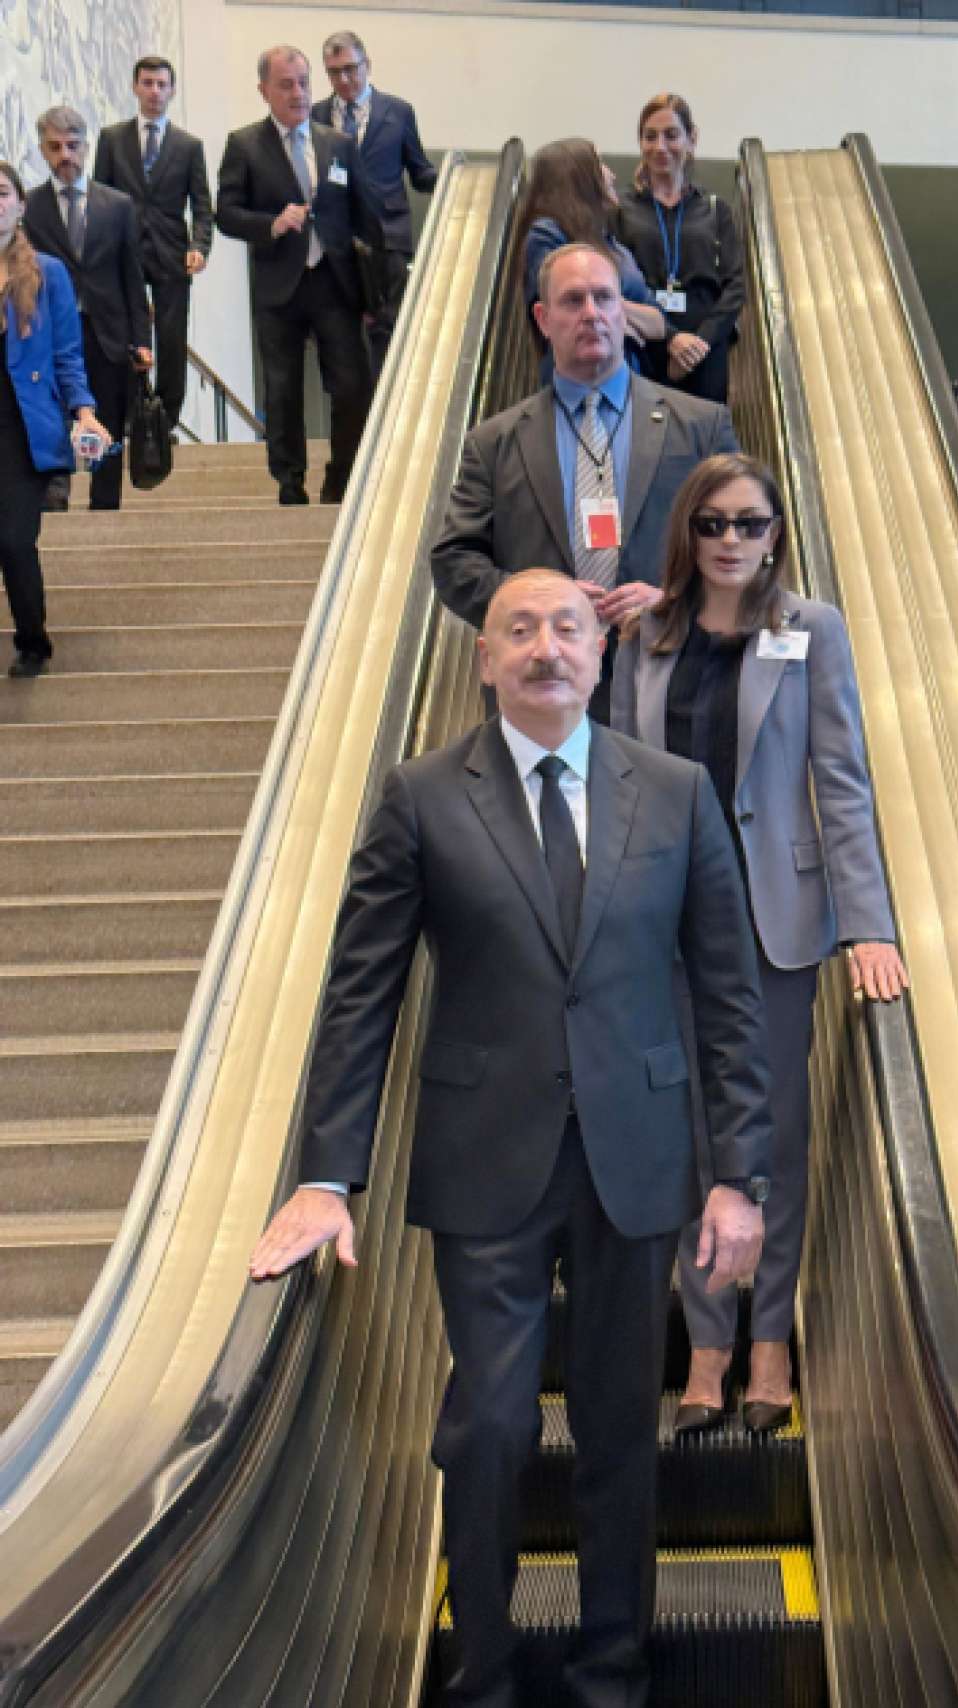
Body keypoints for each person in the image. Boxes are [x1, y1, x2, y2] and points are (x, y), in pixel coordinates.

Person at [249, 567, 773, 1708]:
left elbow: (730, 998)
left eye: (567, 628)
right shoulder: (421, 796)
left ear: (601, 650)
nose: (546, 648)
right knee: (488, 1426)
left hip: (635, 1161)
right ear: (483, 659)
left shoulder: (674, 792)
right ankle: (481, 1674)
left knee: (618, 1433)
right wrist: (326, 1174)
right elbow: (361, 994)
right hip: (484, 1158)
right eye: (519, 630)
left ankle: (610, 1675)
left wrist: (739, 1175)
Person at [612, 452, 907, 1433]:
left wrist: (866, 923)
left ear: (776, 533)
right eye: (712, 524)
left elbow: (842, 779)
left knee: (772, 1134)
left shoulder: (809, 630)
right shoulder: (648, 637)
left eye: (749, 523)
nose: (731, 540)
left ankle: (770, 1334)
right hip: (666, 923)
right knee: (686, 1132)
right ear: (686, 533)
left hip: (773, 917)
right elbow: (617, 786)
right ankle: (707, 1342)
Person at [431, 241, 738, 719]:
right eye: (573, 301)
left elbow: (743, 544)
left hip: (672, 682)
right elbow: (454, 560)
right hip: (543, 690)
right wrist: (539, 605)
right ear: (543, 318)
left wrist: (674, 602)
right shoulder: (493, 443)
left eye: (604, 298)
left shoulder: (701, 426)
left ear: (624, 312)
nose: (592, 314)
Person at [216, 44, 382, 506]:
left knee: (351, 386)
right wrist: (270, 224)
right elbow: (225, 213)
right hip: (279, 286)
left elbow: (365, 216)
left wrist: (376, 294)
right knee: (283, 389)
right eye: (286, 85)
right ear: (264, 91)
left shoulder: (338, 144)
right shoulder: (244, 145)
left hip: (334, 283)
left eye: (304, 83)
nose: (298, 93)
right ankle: (290, 481)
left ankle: (341, 476)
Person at [0, 163, 111, 678]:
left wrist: (84, 412)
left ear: (21, 205)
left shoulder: (49, 274)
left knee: (14, 540)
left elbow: (68, 354)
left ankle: (32, 641)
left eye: (2, 193)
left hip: (23, 431)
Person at [21, 105, 151, 513]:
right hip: (52, 333)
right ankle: (54, 499)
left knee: (108, 419)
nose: (66, 155)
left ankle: (105, 508)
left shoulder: (118, 205)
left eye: (73, 145)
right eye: (55, 147)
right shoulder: (30, 208)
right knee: (53, 416)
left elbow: (132, 277)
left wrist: (142, 341)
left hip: (107, 332)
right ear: (43, 150)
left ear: (86, 147)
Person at [93, 55, 213, 434]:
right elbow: (99, 197)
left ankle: (165, 420)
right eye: (147, 83)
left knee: (172, 339)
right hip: (123, 250)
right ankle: (131, 412)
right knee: (128, 332)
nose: (154, 91)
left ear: (172, 90)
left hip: (172, 253)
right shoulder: (112, 139)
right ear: (135, 87)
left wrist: (200, 247)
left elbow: (203, 207)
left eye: (162, 84)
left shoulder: (189, 146)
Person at [313, 28, 437, 378]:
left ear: (367, 64)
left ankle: (387, 403)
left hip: (388, 238)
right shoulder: (317, 115)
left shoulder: (398, 112)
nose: (344, 79)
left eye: (351, 69)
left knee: (389, 333)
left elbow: (420, 170)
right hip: (338, 242)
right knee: (341, 336)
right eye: (334, 72)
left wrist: (452, 180)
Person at [617, 93, 744, 405]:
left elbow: (735, 287)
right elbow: (612, 281)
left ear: (692, 138)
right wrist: (671, 338)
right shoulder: (621, 210)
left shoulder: (715, 210)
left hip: (705, 354)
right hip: (643, 347)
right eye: (650, 136)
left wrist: (698, 344)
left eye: (671, 135)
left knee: (704, 432)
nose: (660, 146)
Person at [513, 138, 665, 378]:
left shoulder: (614, 245)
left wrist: (616, 311)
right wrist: (622, 316)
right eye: (600, 163)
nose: (612, 175)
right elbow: (560, 307)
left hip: (627, 376)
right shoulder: (547, 233)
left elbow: (658, 324)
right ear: (577, 175)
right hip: (578, 376)